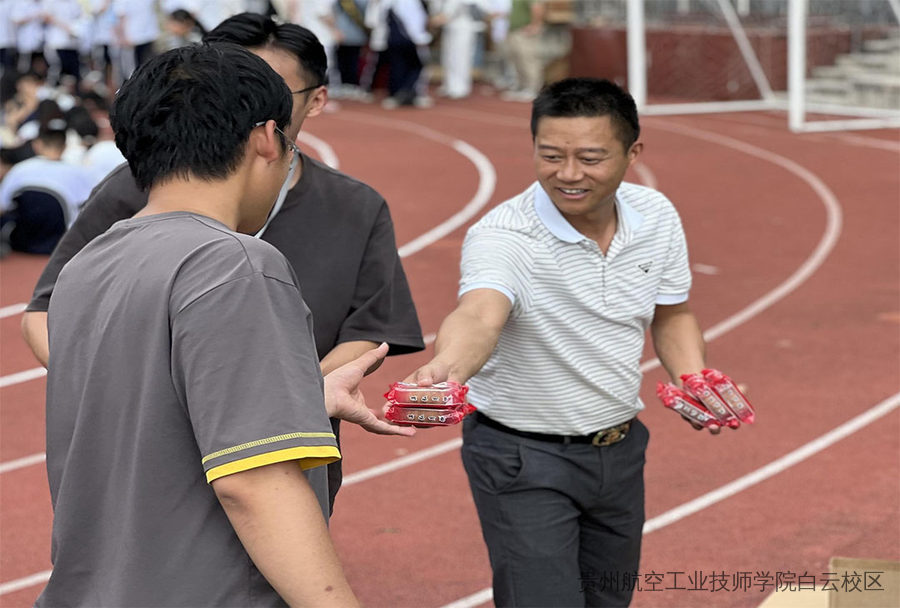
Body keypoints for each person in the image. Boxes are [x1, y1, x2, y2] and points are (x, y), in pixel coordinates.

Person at [36, 42, 413, 606]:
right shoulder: (235, 264)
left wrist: (300, 396)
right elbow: (254, 482)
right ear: (267, 138)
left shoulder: (89, 264)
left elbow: (156, 411)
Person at [406, 77, 719, 607]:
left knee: (608, 602)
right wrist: (446, 372)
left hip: (620, 450)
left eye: (591, 158)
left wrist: (692, 377)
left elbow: (673, 313)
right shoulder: (504, 234)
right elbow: (480, 314)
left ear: (632, 152)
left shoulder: (657, 217)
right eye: (550, 155)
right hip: (522, 457)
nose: (568, 174)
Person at [0, 118, 93, 253]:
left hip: (20, 243)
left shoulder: (20, 169)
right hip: (63, 246)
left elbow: (2, 206)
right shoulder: (80, 172)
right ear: (65, 146)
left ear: (37, 144)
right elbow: (90, 207)